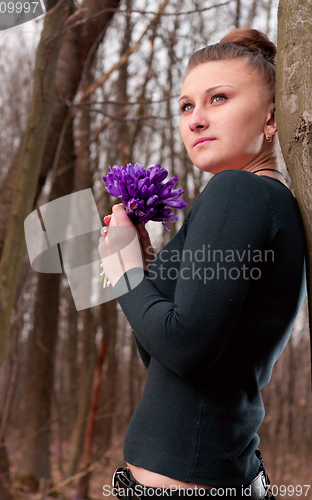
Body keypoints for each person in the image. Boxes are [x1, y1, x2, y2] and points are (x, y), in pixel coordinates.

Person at [98, 28, 307, 500]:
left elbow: (186, 347)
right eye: (187, 106)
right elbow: (165, 358)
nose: (195, 120)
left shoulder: (240, 190)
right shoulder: (265, 200)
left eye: (218, 98)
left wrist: (124, 270)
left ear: (272, 116)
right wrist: (146, 274)